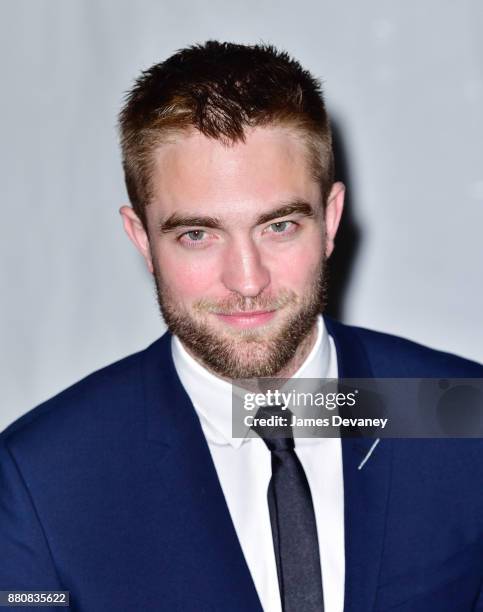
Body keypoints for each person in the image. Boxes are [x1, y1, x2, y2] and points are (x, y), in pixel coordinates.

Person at [1, 41, 482, 612]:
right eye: (197, 235)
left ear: (329, 219)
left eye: (278, 226)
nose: (247, 280)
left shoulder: (460, 416)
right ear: (142, 240)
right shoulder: (44, 477)